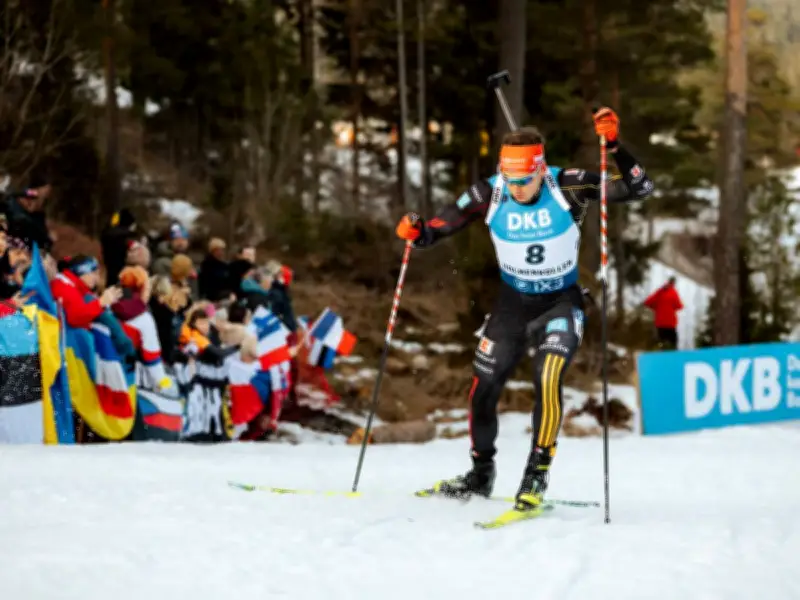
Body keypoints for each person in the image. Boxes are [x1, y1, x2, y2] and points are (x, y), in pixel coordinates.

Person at [397, 108, 654, 513]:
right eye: (510, 178)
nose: (516, 188)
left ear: (540, 168)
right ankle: (480, 474)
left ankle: (536, 472)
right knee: (483, 389)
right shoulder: (489, 192)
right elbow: (436, 230)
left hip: (560, 303)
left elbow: (639, 188)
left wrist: (614, 147)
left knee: (548, 377)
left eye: (524, 179)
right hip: (513, 305)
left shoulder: (567, 185)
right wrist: (416, 230)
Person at [643, 276, 683, 349]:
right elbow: (679, 306)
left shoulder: (659, 291)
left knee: (662, 342)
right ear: (673, 283)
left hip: (660, 323)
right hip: (670, 323)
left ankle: (662, 357)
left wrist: (656, 308)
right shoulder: (673, 292)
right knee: (673, 343)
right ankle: (674, 358)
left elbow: (647, 302)